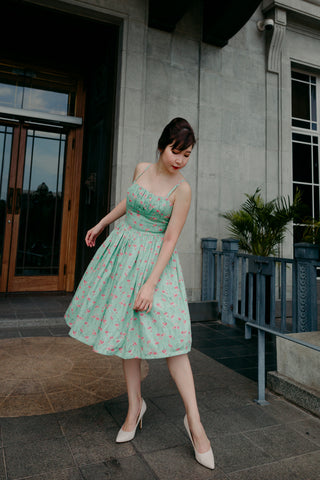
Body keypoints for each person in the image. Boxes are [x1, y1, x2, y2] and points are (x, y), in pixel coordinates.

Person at [65, 117, 214, 470]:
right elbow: (130, 204)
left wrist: (149, 283)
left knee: (176, 343)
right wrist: (102, 223)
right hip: (122, 254)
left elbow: (170, 239)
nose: (180, 159)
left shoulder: (183, 190)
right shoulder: (142, 168)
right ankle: (135, 408)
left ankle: (194, 423)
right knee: (126, 333)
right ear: (162, 144)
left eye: (187, 154)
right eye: (176, 151)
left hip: (155, 265)